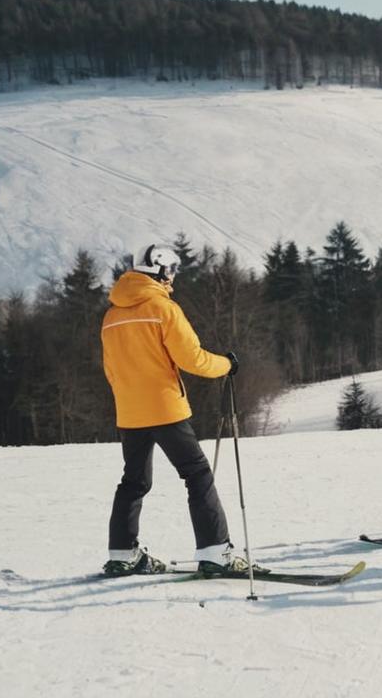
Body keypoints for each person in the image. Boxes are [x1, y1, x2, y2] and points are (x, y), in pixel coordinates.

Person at [100, 243, 241, 576]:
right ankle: (216, 552)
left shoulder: (111, 315)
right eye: (172, 269)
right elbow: (192, 359)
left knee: (133, 481)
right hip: (165, 408)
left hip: (130, 412)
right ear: (159, 268)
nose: (174, 277)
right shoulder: (164, 308)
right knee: (197, 474)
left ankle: (122, 553)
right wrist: (226, 365)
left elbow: (110, 370)